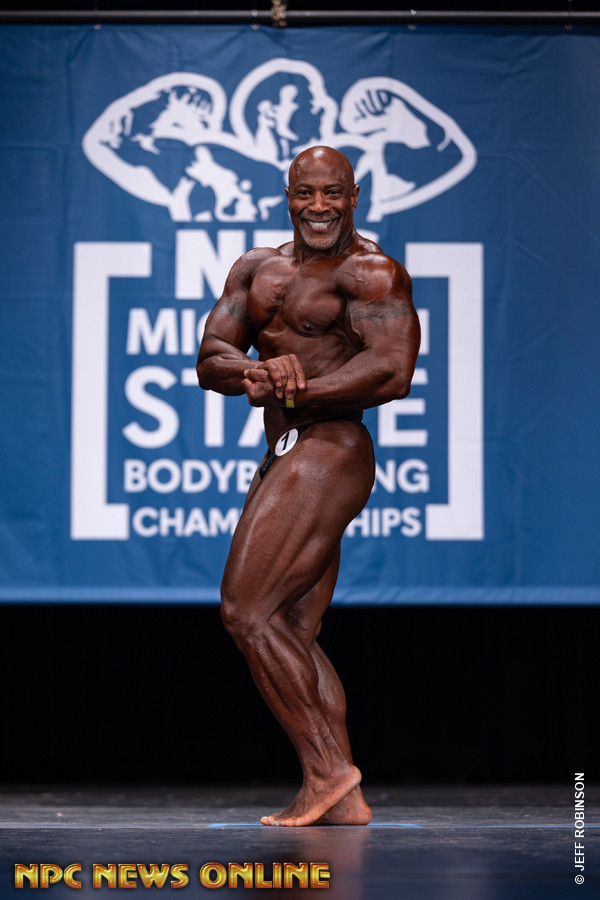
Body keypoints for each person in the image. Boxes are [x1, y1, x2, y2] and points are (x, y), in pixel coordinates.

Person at [196, 146, 420, 827]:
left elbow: (392, 371)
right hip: (288, 449)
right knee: (291, 627)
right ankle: (342, 797)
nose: (318, 206)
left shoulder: (371, 273)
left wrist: (297, 390)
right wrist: (256, 372)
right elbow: (211, 358)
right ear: (288, 196)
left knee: (245, 610)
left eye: (332, 193)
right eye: (305, 193)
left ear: (354, 196)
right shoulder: (256, 269)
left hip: (332, 448)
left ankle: (328, 771)